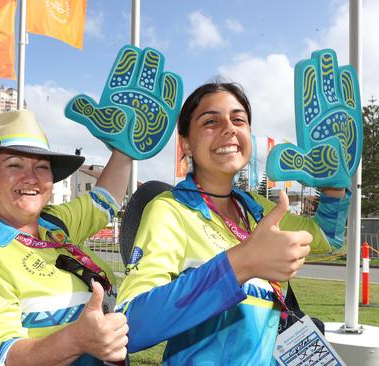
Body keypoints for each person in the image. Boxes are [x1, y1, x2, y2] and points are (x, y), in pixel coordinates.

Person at [116, 82, 352, 365]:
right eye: (211, 121)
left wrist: (335, 190)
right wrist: (239, 264)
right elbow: (131, 325)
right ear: (186, 143)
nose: (229, 128)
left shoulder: (259, 209)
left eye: (238, 119)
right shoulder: (170, 210)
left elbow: (327, 238)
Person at [0, 110, 132, 366]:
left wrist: (126, 147)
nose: (31, 177)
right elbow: (2, 358)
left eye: (42, 166)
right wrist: (76, 340)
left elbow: (103, 200)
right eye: (14, 164)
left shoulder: (54, 224)